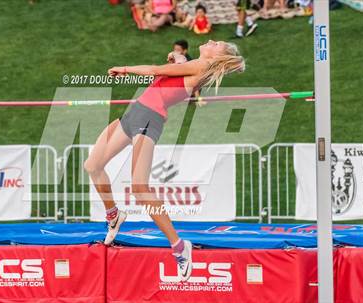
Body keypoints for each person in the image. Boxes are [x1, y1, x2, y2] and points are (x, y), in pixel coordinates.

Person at [84, 40, 245, 281]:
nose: (211, 40)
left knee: (140, 187)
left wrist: (125, 69)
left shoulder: (202, 65)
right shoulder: (195, 64)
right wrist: (176, 58)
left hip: (149, 119)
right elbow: (179, 65)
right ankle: (114, 215)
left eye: (216, 43)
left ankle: (179, 246)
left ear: (218, 55)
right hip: (134, 114)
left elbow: (154, 70)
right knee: (93, 165)